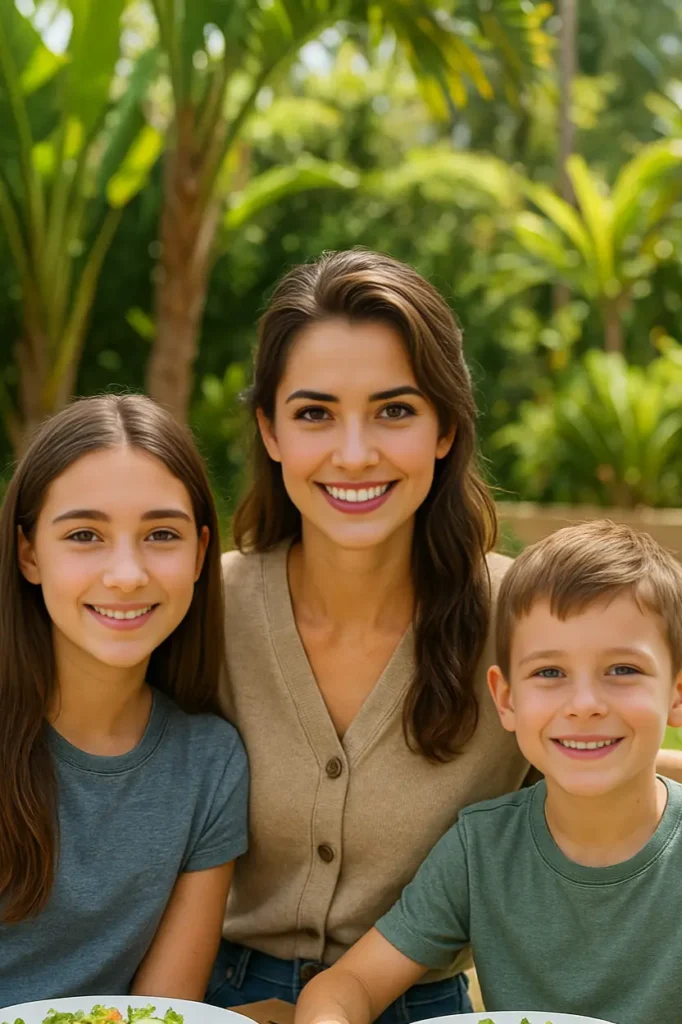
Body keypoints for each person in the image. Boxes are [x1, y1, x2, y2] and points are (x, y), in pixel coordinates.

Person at [208, 247, 525, 1020]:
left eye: (395, 411)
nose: (355, 453)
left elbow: (596, 745)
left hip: (425, 1006)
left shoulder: (520, 613)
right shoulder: (201, 607)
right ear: (271, 431)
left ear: (446, 428)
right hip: (210, 1000)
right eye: (315, 413)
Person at [295, 520, 682, 1024]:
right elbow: (348, 985)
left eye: (623, 670)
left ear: (675, 692)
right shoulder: (481, 849)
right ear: (506, 699)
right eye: (550, 673)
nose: (585, 705)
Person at [0, 395, 248, 1007]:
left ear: (199, 554)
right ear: (30, 553)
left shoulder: (209, 765)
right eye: (85, 535)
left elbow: (165, 1010)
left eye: (161, 534)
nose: (126, 573)